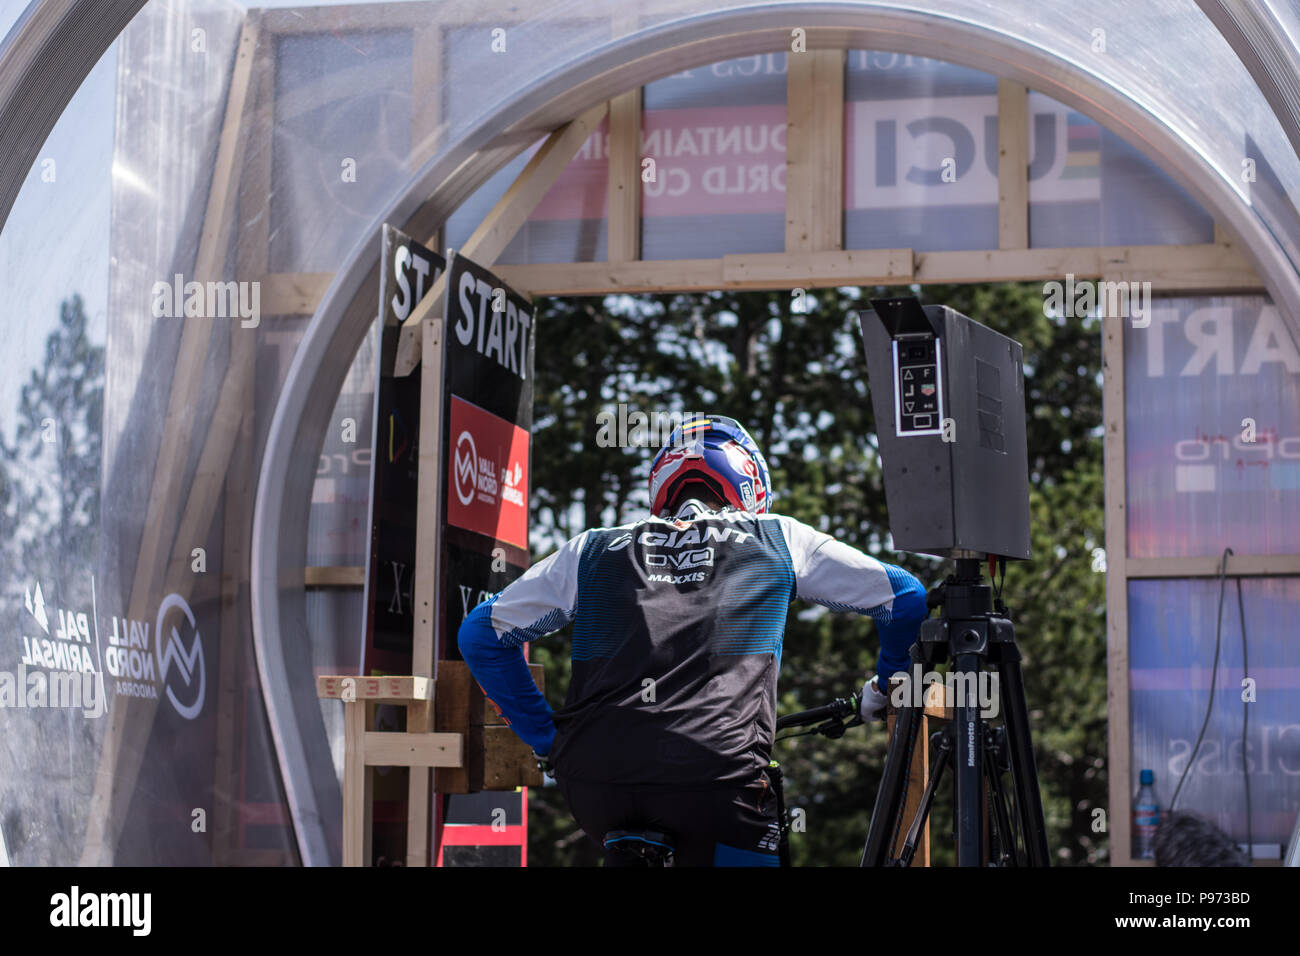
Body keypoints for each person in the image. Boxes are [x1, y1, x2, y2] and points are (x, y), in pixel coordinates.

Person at [457, 414, 929, 866]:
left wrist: (545, 738)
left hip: (595, 784)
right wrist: (884, 689)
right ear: (750, 486)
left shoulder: (594, 547)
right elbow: (904, 598)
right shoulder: (775, 537)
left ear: (661, 486)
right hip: (717, 780)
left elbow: (480, 635)